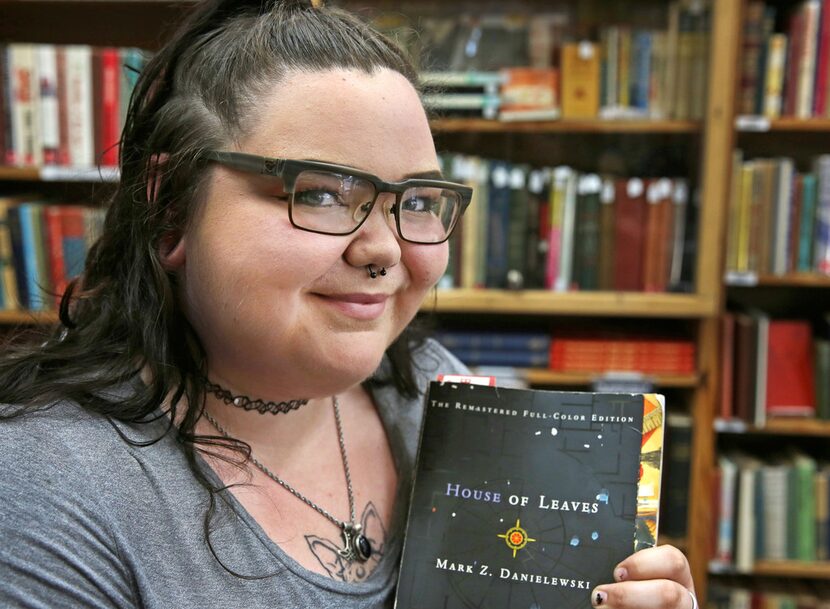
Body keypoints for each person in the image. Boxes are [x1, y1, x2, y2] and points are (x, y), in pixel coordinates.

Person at [0, 1, 698, 608]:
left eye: (417, 201)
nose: (385, 250)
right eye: (321, 192)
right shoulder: (46, 488)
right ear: (172, 205)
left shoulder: (433, 388)